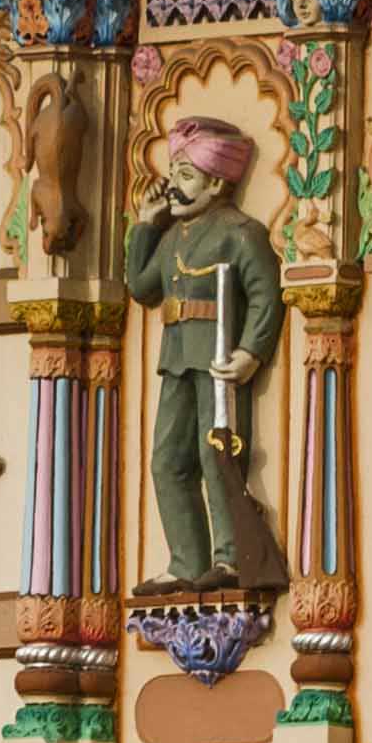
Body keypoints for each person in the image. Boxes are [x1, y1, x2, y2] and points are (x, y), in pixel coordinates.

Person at [123, 114, 284, 593]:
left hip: (217, 362)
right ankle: (185, 562)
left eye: (186, 175)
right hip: (177, 358)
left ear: (216, 183)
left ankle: (230, 558)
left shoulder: (240, 232)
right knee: (166, 460)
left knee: (217, 455)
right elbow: (141, 286)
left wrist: (250, 352)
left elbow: (264, 295)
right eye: (174, 172)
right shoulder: (174, 234)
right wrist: (146, 227)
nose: (174, 185)